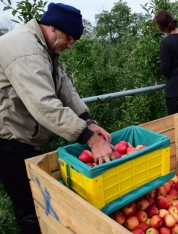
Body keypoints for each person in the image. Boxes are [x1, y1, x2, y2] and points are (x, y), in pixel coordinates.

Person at [0, 3, 115, 233]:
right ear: (52, 27)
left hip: (27, 138)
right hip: (10, 142)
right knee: (31, 207)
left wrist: (88, 121)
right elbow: (44, 105)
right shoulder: (25, 48)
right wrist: (91, 140)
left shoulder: (44, 48)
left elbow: (64, 88)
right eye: (69, 37)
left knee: (42, 200)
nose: (71, 45)